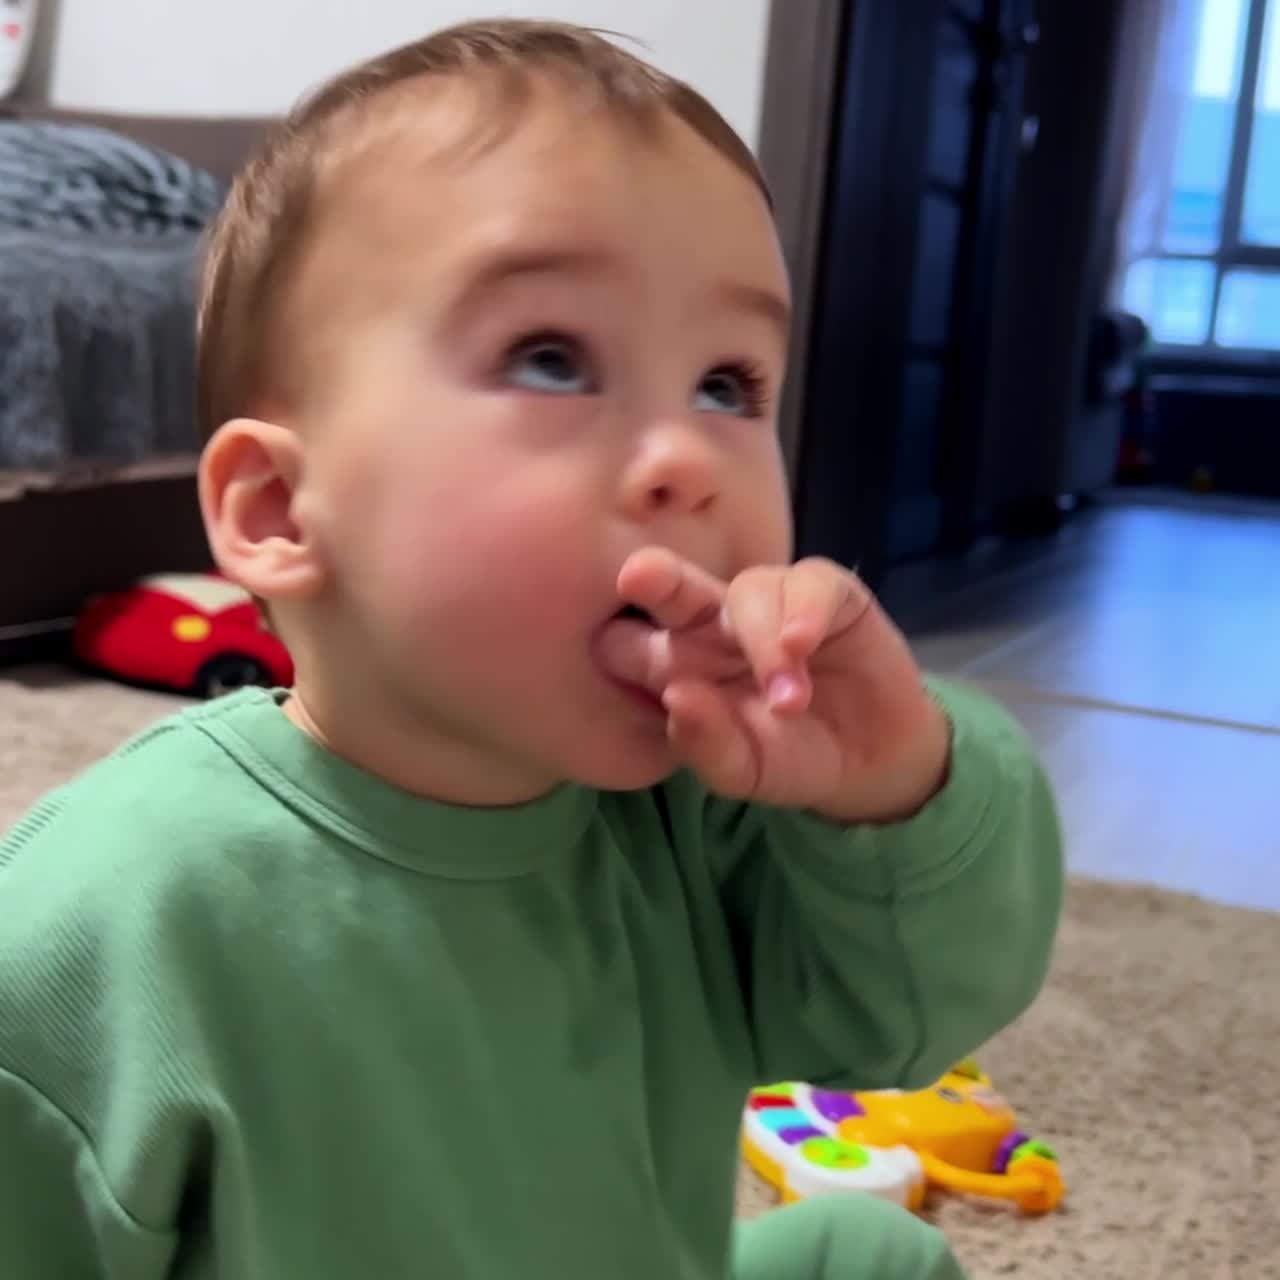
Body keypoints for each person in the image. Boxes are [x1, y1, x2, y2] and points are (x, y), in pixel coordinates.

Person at [0, 20, 1063, 1279]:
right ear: (283, 512)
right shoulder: (109, 917)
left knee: (872, 1253)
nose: (685, 458)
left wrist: (894, 787)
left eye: (728, 383)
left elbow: (907, 1015)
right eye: (551, 358)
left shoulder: (703, 815)